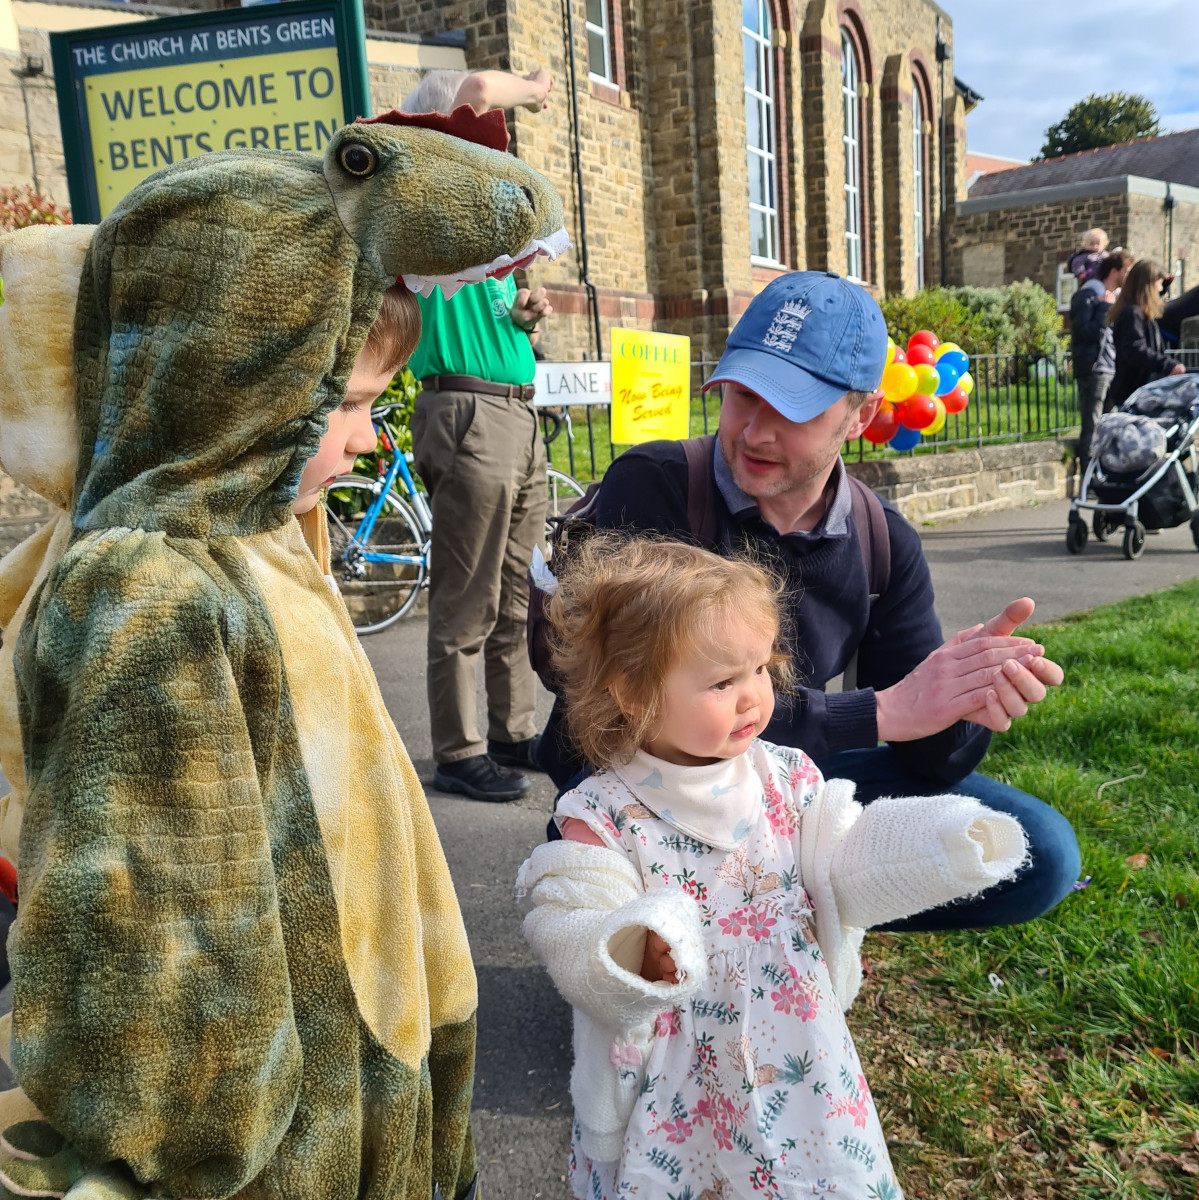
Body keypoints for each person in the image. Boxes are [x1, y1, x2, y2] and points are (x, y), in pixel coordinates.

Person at [0, 109, 568, 1197]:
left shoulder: (263, 538)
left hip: (369, 1055)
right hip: (282, 1142)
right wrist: (197, 1140)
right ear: (241, 384)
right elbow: (150, 930)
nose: (367, 437)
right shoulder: (149, 592)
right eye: (345, 404)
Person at [538, 270, 1080, 931]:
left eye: (791, 409)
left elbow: (927, 759)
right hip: (640, 782)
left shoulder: (883, 541)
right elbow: (621, 708)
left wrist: (964, 701)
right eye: (740, 395)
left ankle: (782, 916)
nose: (753, 432)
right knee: (639, 922)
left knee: (1038, 853)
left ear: (863, 415)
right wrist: (877, 712)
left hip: (778, 775)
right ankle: (684, 921)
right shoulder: (657, 487)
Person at [517, 536, 1028, 1198]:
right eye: (722, 681)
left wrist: (945, 843)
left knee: (817, 1171)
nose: (752, 696)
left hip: (800, 1054)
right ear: (632, 691)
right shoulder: (605, 812)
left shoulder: (786, 778)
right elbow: (569, 915)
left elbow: (843, 866)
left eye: (761, 668)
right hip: (677, 1079)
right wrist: (630, 948)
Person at [403, 68, 557, 802]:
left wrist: (525, 313)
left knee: (516, 592)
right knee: (468, 598)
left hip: (514, 411)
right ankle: (459, 750)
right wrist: (529, 87)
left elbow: (495, 314)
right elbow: (467, 83)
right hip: (469, 413)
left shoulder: (485, 224)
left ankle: (510, 730)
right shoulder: (428, 203)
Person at [1070, 249, 1133, 471]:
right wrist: (1104, 308)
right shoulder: (1088, 294)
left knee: (1112, 425)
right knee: (1093, 426)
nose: (1129, 275)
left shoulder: (1115, 298)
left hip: (1110, 368)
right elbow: (1083, 332)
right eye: (1127, 271)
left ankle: (1107, 473)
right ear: (1114, 271)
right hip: (1094, 369)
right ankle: (1089, 480)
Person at [1107, 258, 1186, 410]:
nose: (1160, 289)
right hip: (1134, 391)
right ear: (1148, 285)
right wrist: (1166, 364)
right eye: (1159, 284)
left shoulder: (1138, 312)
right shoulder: (1132, 313)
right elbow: (1135, 349)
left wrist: (1164, 283)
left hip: (1138, 390)